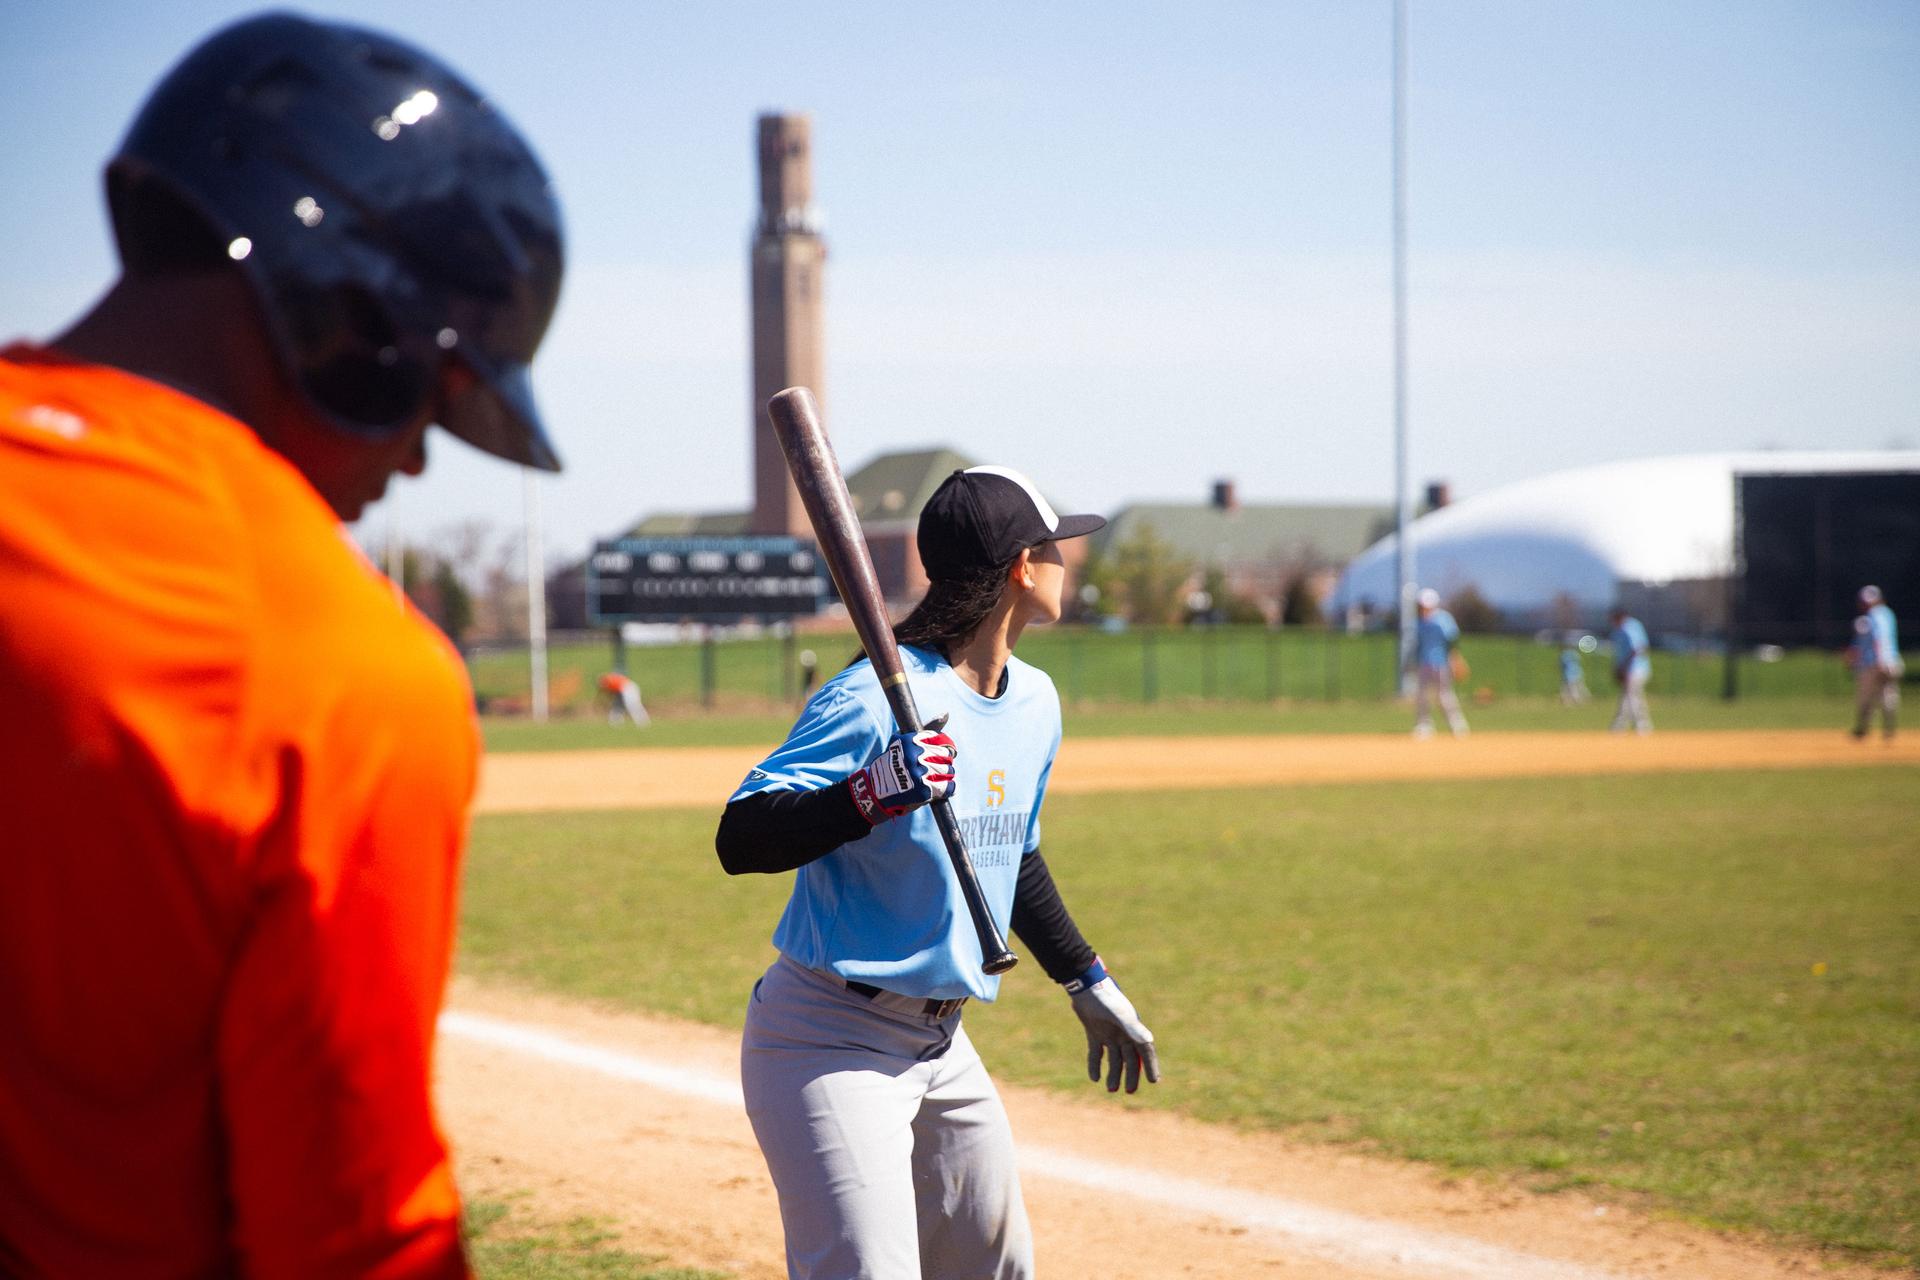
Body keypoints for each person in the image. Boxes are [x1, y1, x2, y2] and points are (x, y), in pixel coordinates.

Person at [0, 14, 563, 1276]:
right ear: (357, 325)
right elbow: (357, 1241)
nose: (418, 453)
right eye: (436, 393)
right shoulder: (332, 660)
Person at [715, 465, 1161, 1280]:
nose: (1070, 560)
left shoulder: (1035, 701)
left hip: (941, 1041)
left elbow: (1010, 852)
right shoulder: (870, 700)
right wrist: (867, 793)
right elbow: (739, 837)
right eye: (1058, 545)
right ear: (1023, 567)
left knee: (997, 1268)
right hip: (828, 1040)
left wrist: (1086, 978)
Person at [1408, 587, 1469, 738]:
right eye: (1421, 605)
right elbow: (1417, 645)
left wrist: (1456, 661)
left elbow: (1452, 641)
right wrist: (1411, 662)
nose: (1423, 608)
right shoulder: (1418, 622)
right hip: (1424, 662)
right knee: (1421, 696)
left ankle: (1457, 725)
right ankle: (1424, 725)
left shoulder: (1443, 619)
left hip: (1441, 662)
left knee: (1444, 696)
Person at [1848, 585, 1902, 740]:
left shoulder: (1872, 616)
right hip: (1892, 660)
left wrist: (1879, 659)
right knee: (1888, 695)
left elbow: (1879, 639)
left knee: (1866, 696)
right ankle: (1889, 730)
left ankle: (1863, 729)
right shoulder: (1888, 614)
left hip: (1874, 662)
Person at [1608, 607, 1654, 734]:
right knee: (1630, 695)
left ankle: (1640, 724)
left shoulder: (1627, 628)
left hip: (1635, 668)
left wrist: (1625, 668)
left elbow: (1636, 649)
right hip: (1636, 667)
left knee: (1631, 696)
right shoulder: (1631, 625)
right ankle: (1621, 724)